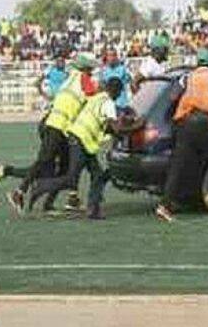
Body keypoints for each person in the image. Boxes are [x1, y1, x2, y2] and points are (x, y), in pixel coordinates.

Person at [27, 78, 145, 220]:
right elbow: (116, 128)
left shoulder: (97, 98)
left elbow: (105, 125)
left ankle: (93, 210)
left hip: (82, 141)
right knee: (71, 179)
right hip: (81, 141)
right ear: (117, 92)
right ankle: (40, 187)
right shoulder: (108, 104)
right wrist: (136, 126)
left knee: (98, 175)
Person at [5, 53, 99, 215]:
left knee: (62, 166)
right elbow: (93, 93)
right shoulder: (83, 79)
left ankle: (52, 203)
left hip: (59, 126)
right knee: (44, 161)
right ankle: (19, 192)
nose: (92, 72)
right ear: (85, 68)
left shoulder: (71, 77)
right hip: (58, 125)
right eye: (91, 69)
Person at [154, 48, 208, 222]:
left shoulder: (187, 77)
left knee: (178, 165)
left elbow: (173, 97)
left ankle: (164, 206)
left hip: (184, 122)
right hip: (204, 121)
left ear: (197, 62)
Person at [0, 51, 71, 190]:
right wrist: (46, 95)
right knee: (47, 167)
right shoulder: (51, 71)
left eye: (63, 59)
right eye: (59, 59)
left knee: (48, 167)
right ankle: (14, 176)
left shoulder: (68, 74)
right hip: (54, 120)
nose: (61, 62)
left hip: (57, 119)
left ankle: (10, 173)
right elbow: (37, 82)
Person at [99, 47, 132, 115]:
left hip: (122, 104)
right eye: (110, 55)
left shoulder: (123, 69)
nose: (112, 58)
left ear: (116, 56)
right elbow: (101, 86)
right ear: (107, 57)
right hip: (109, 105)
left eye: (114, 55)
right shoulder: (103, 71)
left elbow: (130, 83)